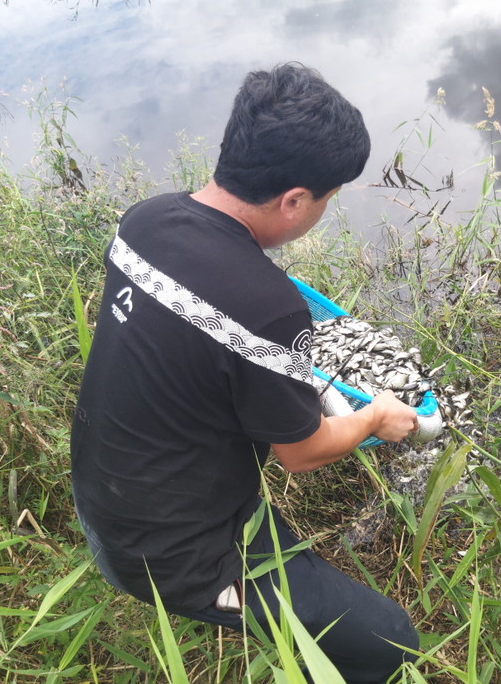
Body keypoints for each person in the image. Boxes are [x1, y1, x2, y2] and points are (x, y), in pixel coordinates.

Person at [70, 62, 420, 683]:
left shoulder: (142, 222)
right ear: (293, 200)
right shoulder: (267, 306)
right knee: (389, 643)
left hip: (103, 494)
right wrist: (374, 417)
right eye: (328, 198)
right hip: (168, 551)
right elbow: (303, 453)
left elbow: (195, 338)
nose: (324, 211)